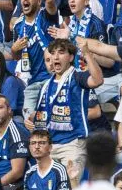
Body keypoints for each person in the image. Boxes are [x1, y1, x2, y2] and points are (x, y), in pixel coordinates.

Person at [31, 39, 103, 173]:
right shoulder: (46, 86)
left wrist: (87, 53)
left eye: (61, 52)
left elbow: (98, 80)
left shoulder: (77, 77)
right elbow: (42, 115)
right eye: (52, 53)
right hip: (50, 146)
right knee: (50, 189)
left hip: (72, 144)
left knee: (70, 189)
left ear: (71, 57)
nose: (56, 57)